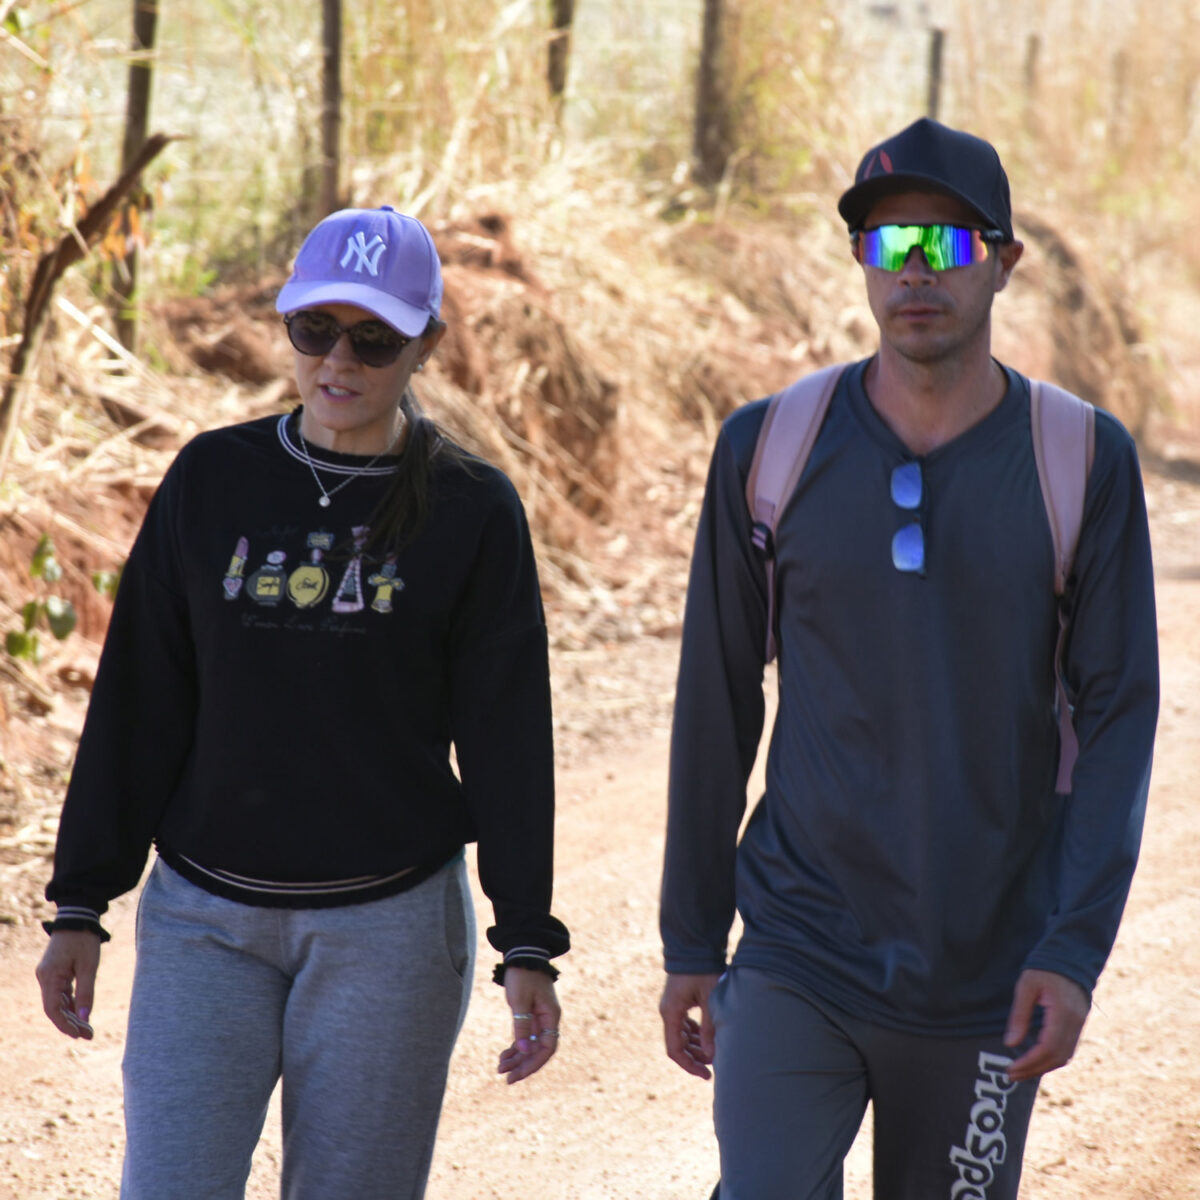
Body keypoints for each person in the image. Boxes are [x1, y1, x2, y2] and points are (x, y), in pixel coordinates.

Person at [658, 118, 1158, 1199]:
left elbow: (1119, 716)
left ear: (1004, 261)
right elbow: (717, 699)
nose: (916, 271)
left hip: (989, 977)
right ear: (859, 258)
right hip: (798, 948)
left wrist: (1072, 950)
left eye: (948, 242)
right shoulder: (769, 448)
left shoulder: (1080, 459)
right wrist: (691, 936)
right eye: (891, 244)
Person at [35, 205, 569, 1199]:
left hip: (389, 931)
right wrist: (81, 900)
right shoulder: (213, 478)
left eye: (374, 339)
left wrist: (526, 937)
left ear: (425, 344)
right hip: (204, 922)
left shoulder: (471, 509)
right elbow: (141, 697)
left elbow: (507, 738)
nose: (339, 360)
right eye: (314, 329)